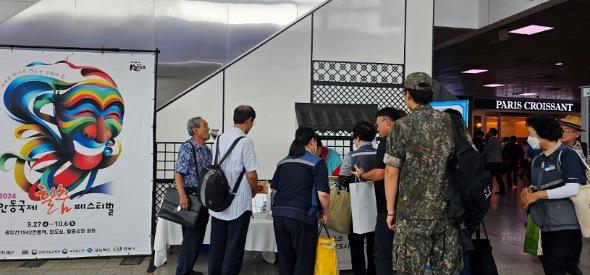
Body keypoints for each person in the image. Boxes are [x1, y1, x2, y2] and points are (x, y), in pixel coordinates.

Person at [383, 72, 461, 275]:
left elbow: (391, 172)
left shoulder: (401, 126)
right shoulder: (451, 122)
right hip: (448, 213)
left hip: (411, 214)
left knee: (409, 271)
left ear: (408, 94)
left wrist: (391, 211)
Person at [521, 114, 585, 275]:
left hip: (566, 225)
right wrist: (530, 189)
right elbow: (540, 183)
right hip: (546, 223)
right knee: (551, 267)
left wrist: (538, 195)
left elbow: (572, 188)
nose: (529, 138)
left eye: (530, 134)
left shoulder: (567, 155)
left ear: (543, 134)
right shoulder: (538, 159)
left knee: (556, 267)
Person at [271, 126, 330, 275]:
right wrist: (325, 213)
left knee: (285, 259)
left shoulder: (283, 162)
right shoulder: (317, 162)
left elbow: (274, 189)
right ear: (312, 142)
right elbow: (323, 193)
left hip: (279, 215)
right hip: (302, 216)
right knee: (304, 261)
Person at [354, 107, 406, 275]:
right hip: (409, 204)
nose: (377, 129)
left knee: (382, 252)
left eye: (378, 124)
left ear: (387, 121)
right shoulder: (408, 138)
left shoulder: (388, 141)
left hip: (388, 206)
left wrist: (362, 175)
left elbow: (384, 172)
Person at [208, 105, 260, 275]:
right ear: (249, 120)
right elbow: (251, 174)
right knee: (234, 246)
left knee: (217, 245)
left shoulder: (218, 139)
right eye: (253, 122)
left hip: (217, 200)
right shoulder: (245, 141)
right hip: (238, 202)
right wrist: (254, 191)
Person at [338, 121, 378, 275]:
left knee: (356, 245)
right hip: (378, 206)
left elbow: (343, 180)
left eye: (354, 138)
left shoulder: (351, 156)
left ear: (358, 137)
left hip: (357, 206)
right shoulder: (379, 154)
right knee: (374, 245)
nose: (354, 141)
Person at [174, 117, 212, 275]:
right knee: (192, 238)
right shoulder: (187, 148)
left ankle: (187, 269)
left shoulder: (207, 150)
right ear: (195, 130)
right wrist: (182, 196)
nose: (208, 128)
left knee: (196, 237)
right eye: (205, 126)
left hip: (203, 196)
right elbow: (178, 174)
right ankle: (182, 272)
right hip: (191, 196)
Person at [483, 128, 507, 194]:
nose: (488, 133)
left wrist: (481, 155)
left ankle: (487, 193)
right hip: (498, 161)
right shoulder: (498, 140)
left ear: (491, 133)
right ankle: (502, 190)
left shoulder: (491, 140)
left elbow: (486, 150)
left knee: (489, 177)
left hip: (491, 161)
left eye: (489, 132)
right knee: (499, 177)